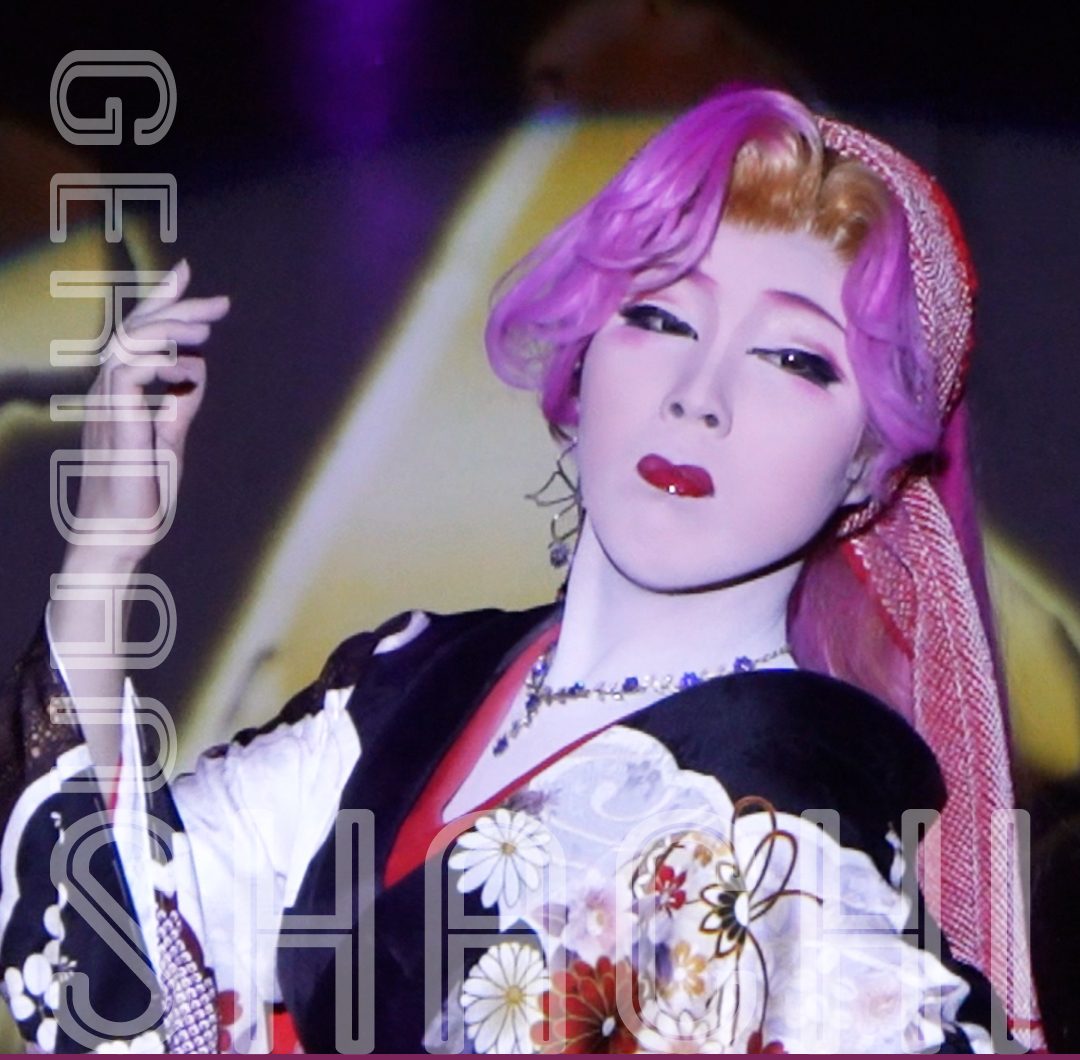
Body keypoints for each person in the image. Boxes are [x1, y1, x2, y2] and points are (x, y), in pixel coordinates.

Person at [0, 87, 1041, 1052]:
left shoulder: (798, 839)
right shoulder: (411, 687)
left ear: (871, 461)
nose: (698, 394)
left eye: (793, 360)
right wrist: (105, 559)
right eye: (660, 317)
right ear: (581, 367)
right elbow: (116, 973)